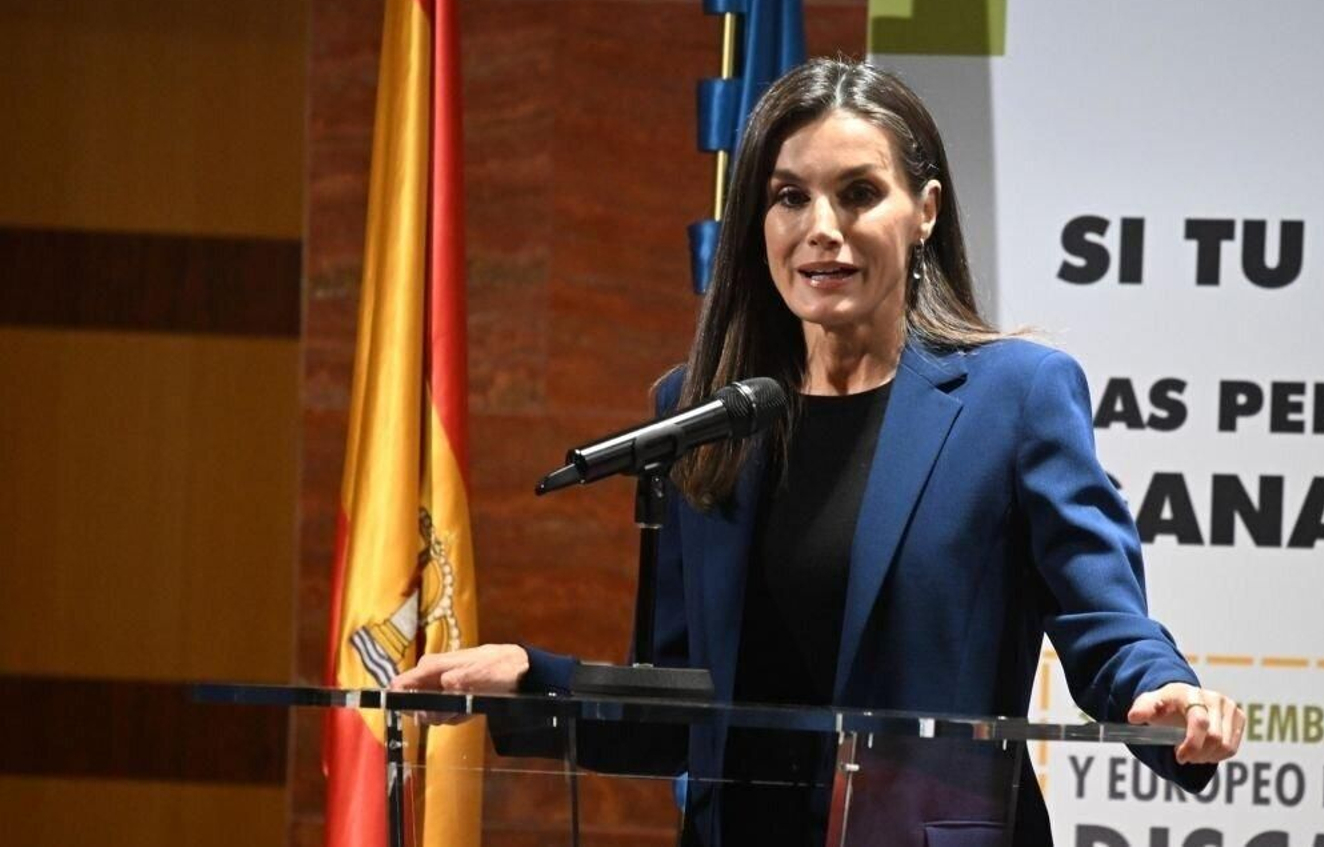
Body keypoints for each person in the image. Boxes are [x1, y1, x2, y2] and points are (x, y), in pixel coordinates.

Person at [392, 57, 1243, 845]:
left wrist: (1158, 690)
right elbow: (683, 706)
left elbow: (1105, 624)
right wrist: (531, 677)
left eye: (859, 193)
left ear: (926, 212)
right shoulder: (700, 413)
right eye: (790, 196)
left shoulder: (1013, 398)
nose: (820, 229)